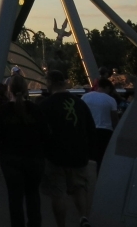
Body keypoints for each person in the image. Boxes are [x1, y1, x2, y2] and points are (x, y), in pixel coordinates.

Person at [0, 73, 47, 227]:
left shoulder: (3, 111)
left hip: (11, 159)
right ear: (26, 89)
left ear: (10, 90)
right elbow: (45, 134)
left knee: (15, 197)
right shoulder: (35, 110)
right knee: (33, 194)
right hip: (34, 159)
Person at [40, 70, 95, 227]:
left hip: (55, 156)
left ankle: (61, 224)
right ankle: (83, 217)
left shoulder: (45, 105)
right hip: (78, 154)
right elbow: (90, 128)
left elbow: (41, 132)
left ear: (50, 83)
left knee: (58, 194)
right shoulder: (80, 103)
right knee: (79, 188)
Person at [82, 77, 118, 173]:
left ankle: (89, 175)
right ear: (107, 87)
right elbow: (114, 118)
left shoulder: (85, 97)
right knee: (102, 156)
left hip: (89, 130)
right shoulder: (111, 100)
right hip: (105, 132)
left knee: (90, 155)